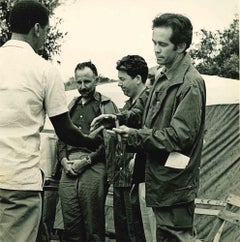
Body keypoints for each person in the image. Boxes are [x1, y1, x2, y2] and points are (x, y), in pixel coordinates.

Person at [0, 2, 99, 242]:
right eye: (46, 30)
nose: (45, 37)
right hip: (17, 181)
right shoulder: (44, 70)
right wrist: (91, 141)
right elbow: (64, 130)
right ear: (37, 28)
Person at [113, 13, 206, 242]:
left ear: (181, 46)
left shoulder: (190, 83)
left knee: (177, 238)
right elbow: (144, 109)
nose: (156, 49)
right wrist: (120, 119)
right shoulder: (162, 75)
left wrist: (135, 136)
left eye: (162, 44)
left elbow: (179, 136)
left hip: (174, 185)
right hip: (159, 180)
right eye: (154, 42)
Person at [57, 61, 118, 242]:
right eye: (79, 82)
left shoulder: (106, 105)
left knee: (93, 225)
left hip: (94, 165)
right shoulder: (70, 106)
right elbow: (61, 137)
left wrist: (86, 161)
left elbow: (110, 142)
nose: (82, 87)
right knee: (71, 224)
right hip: (69, 167)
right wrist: (62, 161)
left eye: (87, 82)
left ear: (96, 80)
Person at [112, 55, 148, 242]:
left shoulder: (149, 101)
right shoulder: (127, 106)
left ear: (138, 79)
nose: (119, 84)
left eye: (122, 79)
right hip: (123, 177)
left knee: (140, 231)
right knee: (125, 231)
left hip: (142, 177)